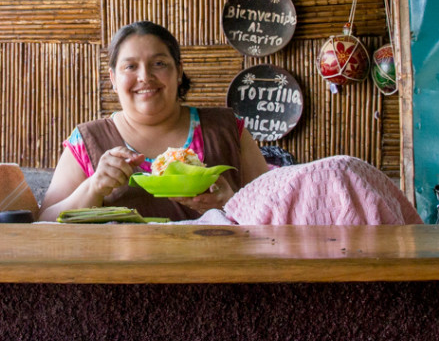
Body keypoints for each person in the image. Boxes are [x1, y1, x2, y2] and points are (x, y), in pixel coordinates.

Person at [38, 21, 270, 221]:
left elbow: (277, 210)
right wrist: (94, 187)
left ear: (179, 71)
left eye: (159, 64)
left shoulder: (228, 129)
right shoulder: (86, 141)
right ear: (113, 79)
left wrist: (231, 202)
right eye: (130, 66)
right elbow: (44, 222)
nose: (145, 77)